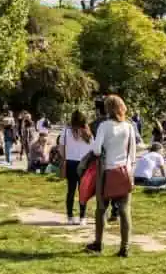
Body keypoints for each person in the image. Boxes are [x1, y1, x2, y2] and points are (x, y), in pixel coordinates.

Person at [84, 94, 135, 257]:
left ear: (107, 109)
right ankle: (125, 247)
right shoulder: (129, 126)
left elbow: (97, 150)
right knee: (125, 211)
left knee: (101, 209)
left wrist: (92, 141)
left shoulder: (104, 126)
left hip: (106, 171)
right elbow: (132, 153)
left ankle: (98, 243)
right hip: (124, 171)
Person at [58, 110, 94, 224]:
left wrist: (64, 158)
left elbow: (61, 148)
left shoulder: (66, 131)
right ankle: (82, 217)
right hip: (84, 163)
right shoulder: (88, 133)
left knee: (71, 191)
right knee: (83, 191)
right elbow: (92, 149)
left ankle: (70, 217)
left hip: (70, 163)